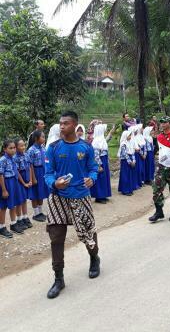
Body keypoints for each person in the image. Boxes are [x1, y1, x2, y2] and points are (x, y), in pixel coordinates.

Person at [44, 111, 100, 299]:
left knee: (87, 231)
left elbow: (93, 168)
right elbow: (48, 173)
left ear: (75, 125)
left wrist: (92, 178)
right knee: (56, 238)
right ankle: (58, 278)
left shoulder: (86, 147)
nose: (61, 126)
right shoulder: (53, 148)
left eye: (66, 123)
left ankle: (94, 258)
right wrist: (54, 183)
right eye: (60, 123)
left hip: (80, 196)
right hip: (57, 197)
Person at [0, 140, 25, 237]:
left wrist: (21, 182)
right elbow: (1, 175)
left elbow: (16, 171)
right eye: (10, 148)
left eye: (14, 147)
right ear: (5, 149)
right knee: (3, 206)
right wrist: (4, 190)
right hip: (6, 183)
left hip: (14, 182)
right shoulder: (2, 160)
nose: (13, 150)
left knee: (13, 204)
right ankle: (1, 227)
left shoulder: (13, 158)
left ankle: (13, 224)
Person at [27, 130, 48, 222]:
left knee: (41, 192)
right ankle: (35, 213)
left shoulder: (43, 148)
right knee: (35, 193)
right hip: (35, 171)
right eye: (42, 137)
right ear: (36, 138)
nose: (44, 138)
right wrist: (33, 177)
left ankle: (40, 212)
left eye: (44, 137)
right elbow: (30, 165)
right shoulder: (31, 150)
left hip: (43, 171)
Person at [14, 138, 33, 230]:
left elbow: (29, 167)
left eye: (24, 145)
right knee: (19, 200)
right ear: (16, 147)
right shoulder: (15, 158)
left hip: (27, 178)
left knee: (24, 199)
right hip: (19, 180)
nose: (23, 147)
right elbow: (17, 172)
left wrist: (30, 180)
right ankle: (19, 219)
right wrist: (24, 183)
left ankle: (25, 217)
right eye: (21, 146)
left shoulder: (26, 155)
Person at [90, 123, 112, 204]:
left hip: (104, 160)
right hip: (100, 162)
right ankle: (99, 197)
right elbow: (95, 155)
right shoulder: (96, 142)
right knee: (100, 179)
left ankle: (104, 195)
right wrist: (99, 165)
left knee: (104, 178)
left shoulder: (102, 140)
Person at [118, 130, 136, 196]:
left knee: (129, 175)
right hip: (125, 161)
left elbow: (133, 152)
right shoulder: (123, 144)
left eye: (130, 135)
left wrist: (134, 160)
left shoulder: (130, 143)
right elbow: (124, 153)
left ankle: (129, 189)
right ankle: (125, 190)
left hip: (130, 160)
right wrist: (130, 161)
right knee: (125, 175)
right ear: (125, 136)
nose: (130, 137)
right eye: (129, 135)